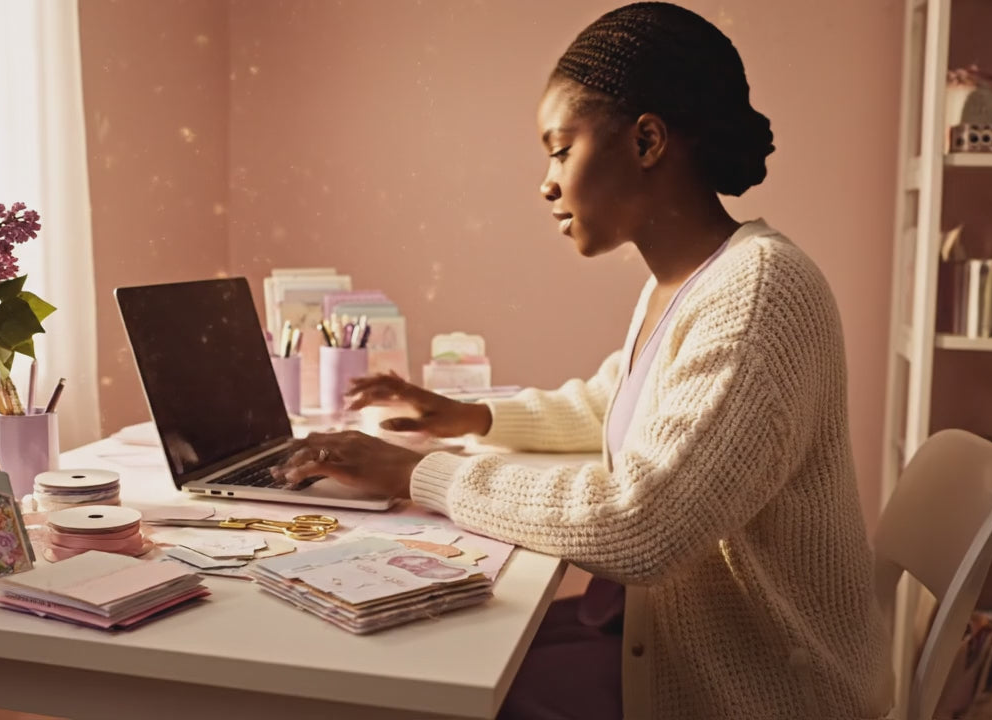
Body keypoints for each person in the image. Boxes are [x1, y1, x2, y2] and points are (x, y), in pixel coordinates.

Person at [273, 3, 894, 718]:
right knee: (447, 649)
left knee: (428, 691)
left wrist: (416, 472)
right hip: (665, 639)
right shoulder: (693, 280)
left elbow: (639, 525)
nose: (546, 182)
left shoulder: (756, 296)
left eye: (560, 149)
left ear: (647, 140)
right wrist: (471, 416)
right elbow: (612, 402)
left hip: (752, 688)